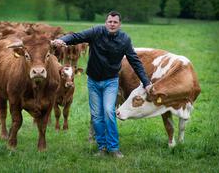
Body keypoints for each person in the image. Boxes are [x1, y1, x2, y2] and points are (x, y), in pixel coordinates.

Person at [51, 11, 151, 158]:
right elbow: (77, 37)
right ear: (106, 22)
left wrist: (146, 82)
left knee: (109, 112)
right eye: (110, 21)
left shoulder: (124, 40)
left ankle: (114, 148)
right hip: (93, 82)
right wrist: (62, 40)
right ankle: (102, 147)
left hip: (111, 81)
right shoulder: (96, 32)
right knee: (97, 116)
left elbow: (135, 61)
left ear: (119, 24)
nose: (112, 24)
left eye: (115, 22)